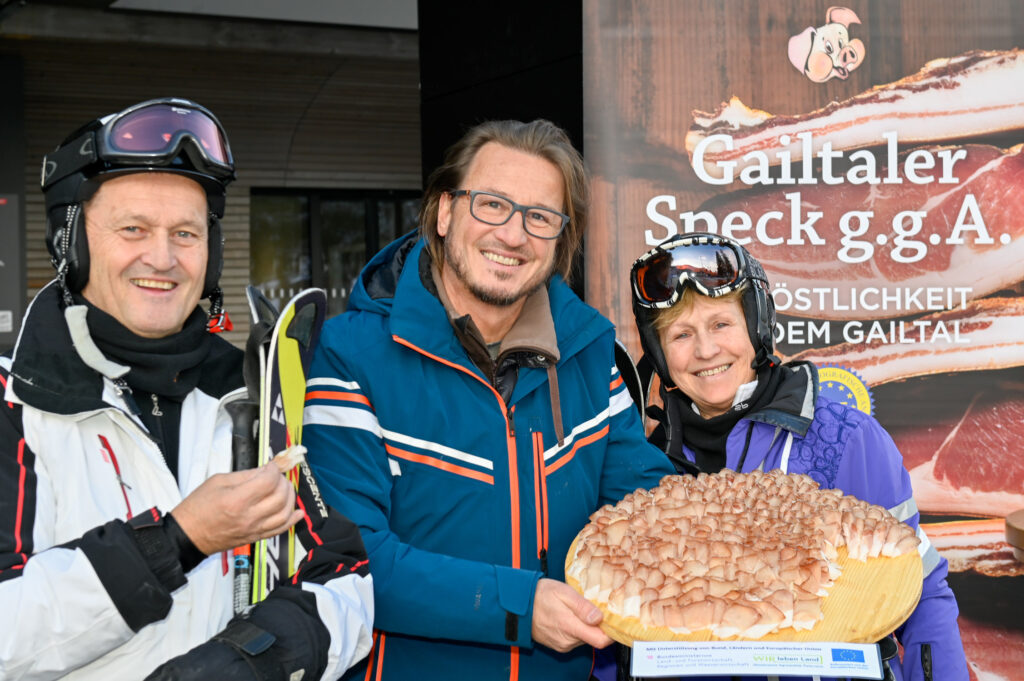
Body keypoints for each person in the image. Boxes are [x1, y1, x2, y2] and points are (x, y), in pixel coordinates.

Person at [0, 98, 373, 680]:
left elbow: (345, 579)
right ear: (72, 244)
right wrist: (176, 541)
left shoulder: (250, 393)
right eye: (133, 229)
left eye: (186, 233)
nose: (163, 257)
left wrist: (254, 660)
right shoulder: (15, 404)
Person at [303, 119, 675, 680]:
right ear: (445, 212)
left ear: (560, 241)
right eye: (492, 205)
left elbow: (648, 510)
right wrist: (519, 607)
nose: (513, 235)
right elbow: (351, 561)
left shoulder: (591, 353)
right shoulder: (353, 355)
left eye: (540, 217)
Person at [629, 231, 968, 681]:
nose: (705, 350)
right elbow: (623, 616)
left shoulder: (845, 438)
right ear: (658, 354)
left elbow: (920, 590)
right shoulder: (644, 467)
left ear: (756, 325)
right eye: (681, 334)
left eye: (721, 325)